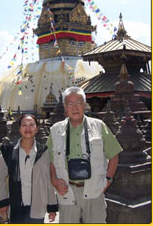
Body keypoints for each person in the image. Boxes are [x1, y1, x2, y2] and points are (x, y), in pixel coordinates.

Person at [46, 86, 123, 223]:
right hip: (66, 191)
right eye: (70, 104)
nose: (75, 108)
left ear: (85, 105)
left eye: (78, 103)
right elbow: (50, 160)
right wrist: (54, 181)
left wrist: (108, 180)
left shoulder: (99, 126)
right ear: (65, 107)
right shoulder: (55, 130)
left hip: (94, 189)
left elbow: (114, 155)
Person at [0, 114, 58, 223]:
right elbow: (0, 179)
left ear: (37, 129)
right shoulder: (8, 151)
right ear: (19, 129)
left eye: (31, 125)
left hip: (37, 206)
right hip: (15, 205)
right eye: (24, 125)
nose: (28, 128)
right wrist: (2, 203)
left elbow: (48, 180)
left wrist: (52, 207)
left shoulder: (43, 152)